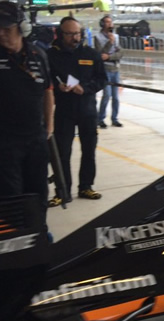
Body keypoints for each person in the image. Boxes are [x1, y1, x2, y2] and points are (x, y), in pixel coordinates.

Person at [0, 1, 54, 229]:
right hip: (3, 141)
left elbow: (48, 92)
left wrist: (49, 127)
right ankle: (14, 244)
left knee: (38, 193)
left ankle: (39, 235)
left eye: (6, 29)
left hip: (35, 139)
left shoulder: (39, 55)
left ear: (22, 28)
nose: (1, 34)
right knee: (9, 198)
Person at [47, 16, 106, 207]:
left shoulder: (91, 54)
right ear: (60, 34)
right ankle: (62, 192)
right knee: (62, 153)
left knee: (89, 150)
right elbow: (45, 80)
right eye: (70, 34)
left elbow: (102, 79)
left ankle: (86, 186)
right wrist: (57, 86)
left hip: (87, 110)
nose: (75, 37)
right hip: (64, 110)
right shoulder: (50, 55)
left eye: (78, 33)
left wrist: (86, 88)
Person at [94, 15, 123, 128]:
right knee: (107, 95)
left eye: (110, 22)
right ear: (102, 24)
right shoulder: (98, 37)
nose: (109, 24)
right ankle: (100, 118)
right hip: (105, 69)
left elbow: (120, 53)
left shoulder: (116, 36)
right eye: (107, 22)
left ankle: (115, 118)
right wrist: (110, 43)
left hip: (115, 68)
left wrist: (110, 57)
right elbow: (100, 54)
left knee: (116, 97)